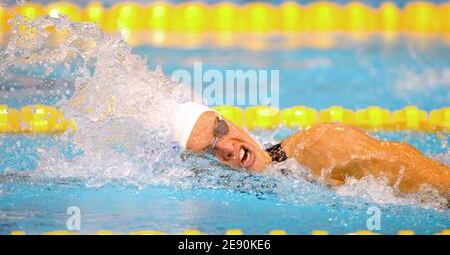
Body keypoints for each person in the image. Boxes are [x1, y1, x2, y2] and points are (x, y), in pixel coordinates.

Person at [171, 102, 450, 196]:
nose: (227, 149)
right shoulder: (275, 172)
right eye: (210, 151)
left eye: (220, 131)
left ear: (229, 119)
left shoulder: (322, 148)